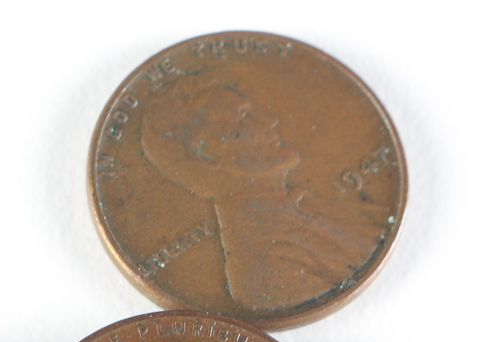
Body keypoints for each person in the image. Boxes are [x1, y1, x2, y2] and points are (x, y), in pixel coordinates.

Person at [139, 74, 389, 311]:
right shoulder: (263, 274)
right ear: (207, 155)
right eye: (242, 119)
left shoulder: (306, 205)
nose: (270, 120)